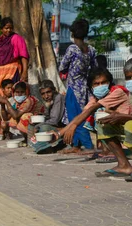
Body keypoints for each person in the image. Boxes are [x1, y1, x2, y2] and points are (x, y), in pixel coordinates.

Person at [59, 67, 131, 174]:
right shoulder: (96, 98)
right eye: (96, 84)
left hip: (128, 128)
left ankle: (119, 159)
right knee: (97, 119)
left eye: (103, 82)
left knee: (102, 121)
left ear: (109, 82)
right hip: (119, 129)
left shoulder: (117, 92)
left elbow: (92, 108)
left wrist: (74, 126)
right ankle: (115, 156)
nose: (100, 86)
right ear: (91, 86)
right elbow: (83, 114)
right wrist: (59, 133)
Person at [93, 57, 132, 181]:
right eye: (128, 78)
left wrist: (123, 117)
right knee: (104, 123)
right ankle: (124, 165)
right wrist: (114, 115)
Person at [59, 19, 97, 154]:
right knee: (80, 115)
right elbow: (95, 68)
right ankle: (75, 144)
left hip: (73, 87)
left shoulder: (72, 49)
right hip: (85, 88)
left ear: (73, 33)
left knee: (76, 118)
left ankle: (88, 145)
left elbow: (62, 66)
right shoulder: (91, 49)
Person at [0, 17, 29, 97]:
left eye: (11, 28)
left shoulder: (17, 38)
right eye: (6, 28)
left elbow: (23, 55)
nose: (9, 30)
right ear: (1, 29)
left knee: (12, 92)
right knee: (0, 93)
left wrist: (24, 72)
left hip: (12, 71)